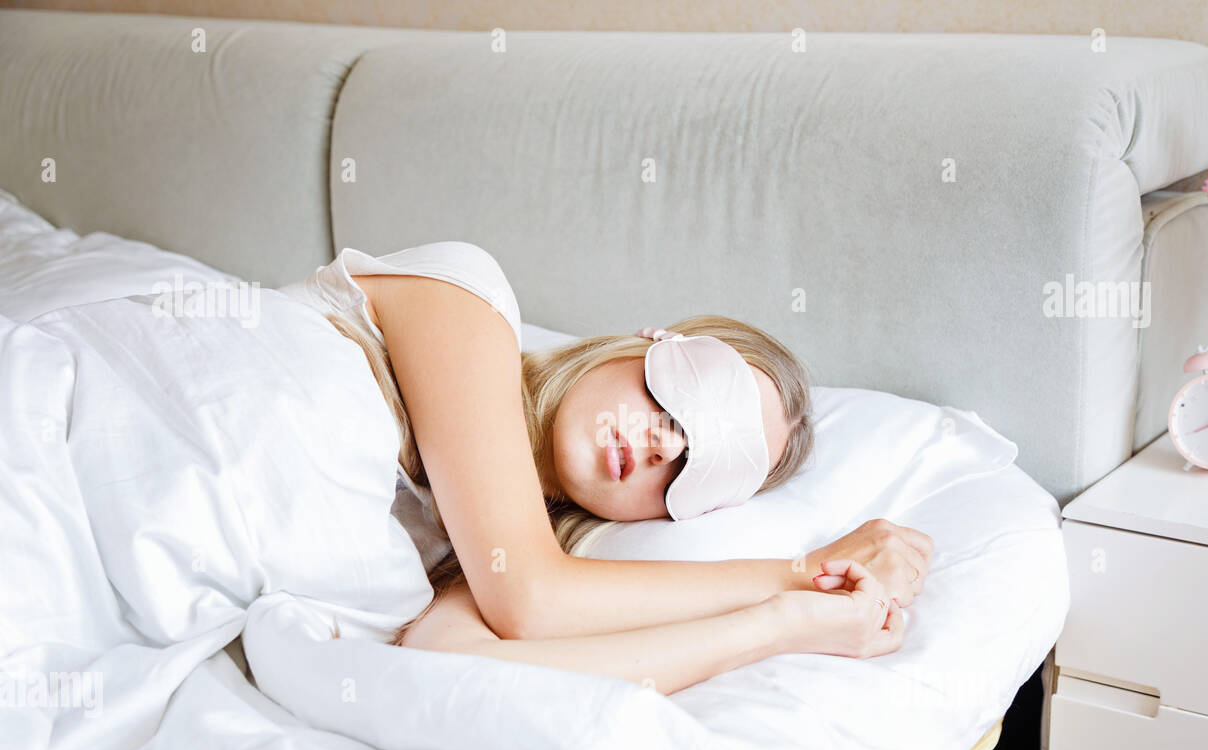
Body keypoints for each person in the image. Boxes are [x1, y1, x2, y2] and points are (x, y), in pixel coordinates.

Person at [279, 241, 933, 694]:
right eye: (677, 407)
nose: (663, 450)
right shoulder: (464, 296)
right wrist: (803, 574)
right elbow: (532, 599)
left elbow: (453, 665)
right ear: (645, 343)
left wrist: (779, 626)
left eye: (690, 475)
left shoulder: (483, 560)